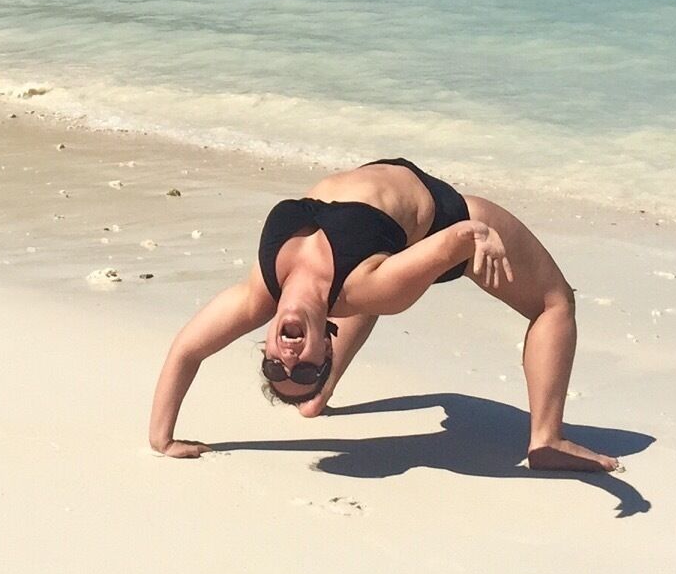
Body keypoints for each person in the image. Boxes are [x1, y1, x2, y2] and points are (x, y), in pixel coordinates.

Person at [146, 158, 619, 472]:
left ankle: (316, 397)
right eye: (306, 368)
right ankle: (546, 439)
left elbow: (188, 349)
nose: (290, 358)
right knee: (555, 302)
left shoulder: (260, 290)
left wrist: (160, 439)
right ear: (326, 343)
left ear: (267, 344)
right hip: (452, 222)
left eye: (276, 367)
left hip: (387, 238)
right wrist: (480, 234)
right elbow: (462, 238)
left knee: (366, 288)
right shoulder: (373, 286)